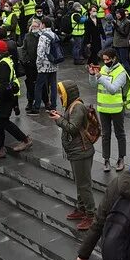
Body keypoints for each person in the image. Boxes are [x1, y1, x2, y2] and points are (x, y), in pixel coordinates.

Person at [50, 80, 95, 231]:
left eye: (61, 94)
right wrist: (60, 116)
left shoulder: (77, 107)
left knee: (84, 185)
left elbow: (73, 128)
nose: (60, 97)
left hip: (81, 152)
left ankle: (91, 215)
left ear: (68, 94)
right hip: (76, 151)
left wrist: (59, 120)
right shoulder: (72, 106)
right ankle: (81, 209)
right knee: (80, 183)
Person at [0, 40, 33, 158]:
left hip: (2, 99)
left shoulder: (3, 64)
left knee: (3, 122)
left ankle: (24, 140)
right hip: (3, 98)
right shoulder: (4, 61)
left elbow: (3, 84)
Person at [89, 48, 130, 172]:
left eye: (108, 59)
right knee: (105, 135)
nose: (106, 62)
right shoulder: (103, 69)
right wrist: (92, 75)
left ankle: (121, 158)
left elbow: (113, 89)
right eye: (104, 60)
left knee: (120, 134)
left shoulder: (121, 72)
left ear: (114, 59)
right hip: (103, 108)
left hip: (117, 108)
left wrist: (100, 77)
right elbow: (93, 85)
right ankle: (106, 160)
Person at [32, 17, 59, 114]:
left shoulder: (43, 36)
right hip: (54, 64)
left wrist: (38, 64)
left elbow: (40, 52)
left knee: (39, 86)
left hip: (44, 65)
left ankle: (36, 106)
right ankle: (53, 106)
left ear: (43, 24)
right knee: (53, 85)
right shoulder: (54, 35)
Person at [112, 8, 130, 78]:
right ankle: (118, 72)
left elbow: (125, 33)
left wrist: (116, 27)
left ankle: (129, 73)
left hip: (123, 44)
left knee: (125, 59)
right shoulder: (116, 21)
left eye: (119, 13)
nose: (117, 15)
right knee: (118, 60)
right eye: (116, 13)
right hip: (116, 43)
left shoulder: (127, 22)